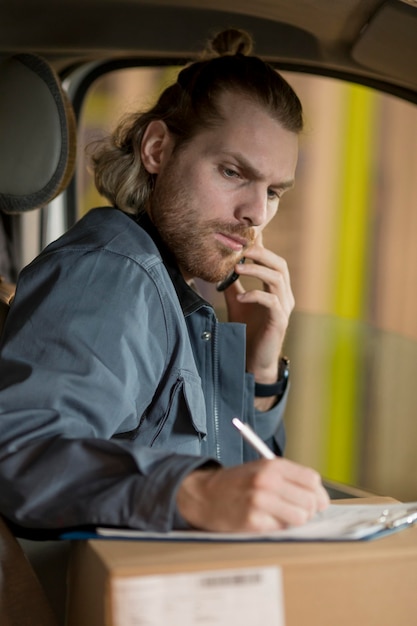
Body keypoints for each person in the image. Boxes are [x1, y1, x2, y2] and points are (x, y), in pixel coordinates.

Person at [0, 29, 329, 536]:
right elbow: (19, 453)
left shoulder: (181, 295)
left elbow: (238, 488)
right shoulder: (111, 274)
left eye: (274, 191)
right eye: (232, 172)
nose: (255, 213)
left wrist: (259, 370)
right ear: (157, 149)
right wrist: (192, 490)